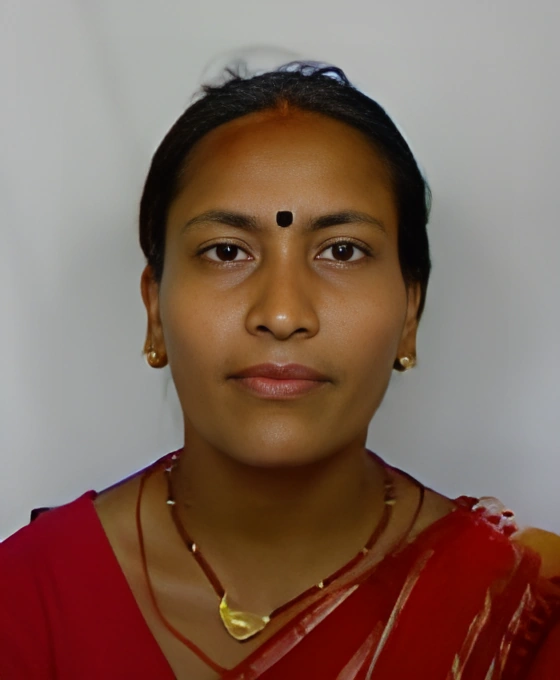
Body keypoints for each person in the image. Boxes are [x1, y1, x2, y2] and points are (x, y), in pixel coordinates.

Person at [1, 61, 559, 680]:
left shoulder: (520, 613)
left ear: (410, 313)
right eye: (227, 251)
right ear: (155, 309)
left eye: (342, 251)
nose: (283, 314)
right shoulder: (25, 601)